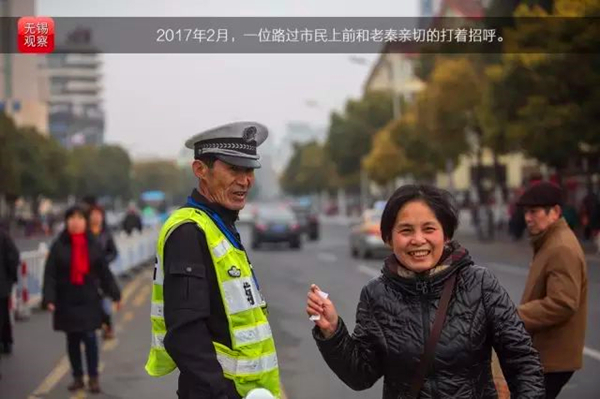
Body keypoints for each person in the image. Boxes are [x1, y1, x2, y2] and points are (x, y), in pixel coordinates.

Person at [306, 184, 544, 398]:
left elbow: (523, 362)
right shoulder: (376, 294)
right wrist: (332, 331)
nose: (418, 240)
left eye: (429, 229)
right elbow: (360, 376)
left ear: (446, 234)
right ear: (388, 238)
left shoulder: (480, 284)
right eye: (406, 231)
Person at [145, 122, 281, 399]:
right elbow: (185, 332)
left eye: (249, 170)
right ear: (200, 170)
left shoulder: (219, 225)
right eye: (233, 169)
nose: (245, 181)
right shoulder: (188, 231)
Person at [516, 182, 588, 399]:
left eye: (534, 212)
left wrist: (514, 317)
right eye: (526, 212)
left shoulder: (561, 247)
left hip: (552, 356)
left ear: (555, 212)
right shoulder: (548, 241)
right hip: (546, 354)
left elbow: (562, 303)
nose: (528, 218)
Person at [42, 205, 121, 394]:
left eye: (79, 218)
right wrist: (49, 298)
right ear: (67, 221)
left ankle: (93, 378)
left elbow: (104, 272)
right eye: (71, 218)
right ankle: (77, 377)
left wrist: (115, 294)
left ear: (85, 222)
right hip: (66, 298)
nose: (75, 222)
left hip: (89, 298)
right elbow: (50, 274)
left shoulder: (92, 244)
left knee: (90, 338)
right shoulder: (59, 245)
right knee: (72, 340)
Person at [88, 205, 119, 340]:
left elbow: (114, 252)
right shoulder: (85, 234)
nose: (95, 217)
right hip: (88, 275)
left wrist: (104, 261)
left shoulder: (106, 234)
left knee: (105, 304)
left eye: (98, 214)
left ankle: (108, 326)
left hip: (103, 274)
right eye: (93, 214)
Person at [0, 227, 20, 378]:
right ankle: (6, 342)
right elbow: (13, 258)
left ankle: (6, 341)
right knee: (3, 317)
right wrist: (10, 279)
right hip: (2, 287)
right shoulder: (4, 236)